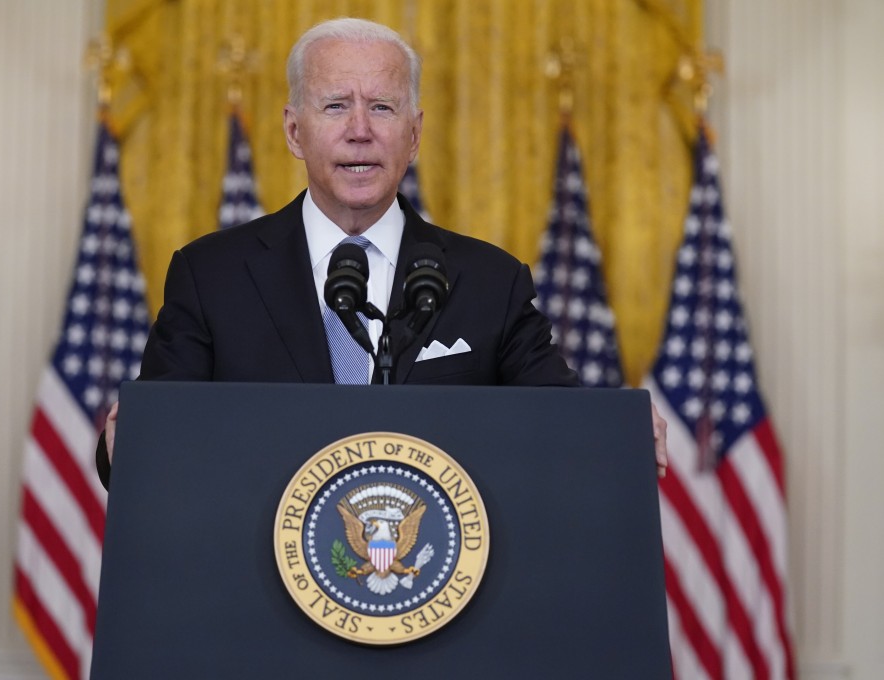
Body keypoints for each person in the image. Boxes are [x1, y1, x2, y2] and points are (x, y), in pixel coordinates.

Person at [97, 17, 668, 488]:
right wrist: (126, 438)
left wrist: (621, 431)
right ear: (294, 132)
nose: (360, 130)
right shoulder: (212, 276)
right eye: (336, 106)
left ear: (415, 135)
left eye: (383, 108)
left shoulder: (491, 283)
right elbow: (158, 439)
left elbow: (561, 422)